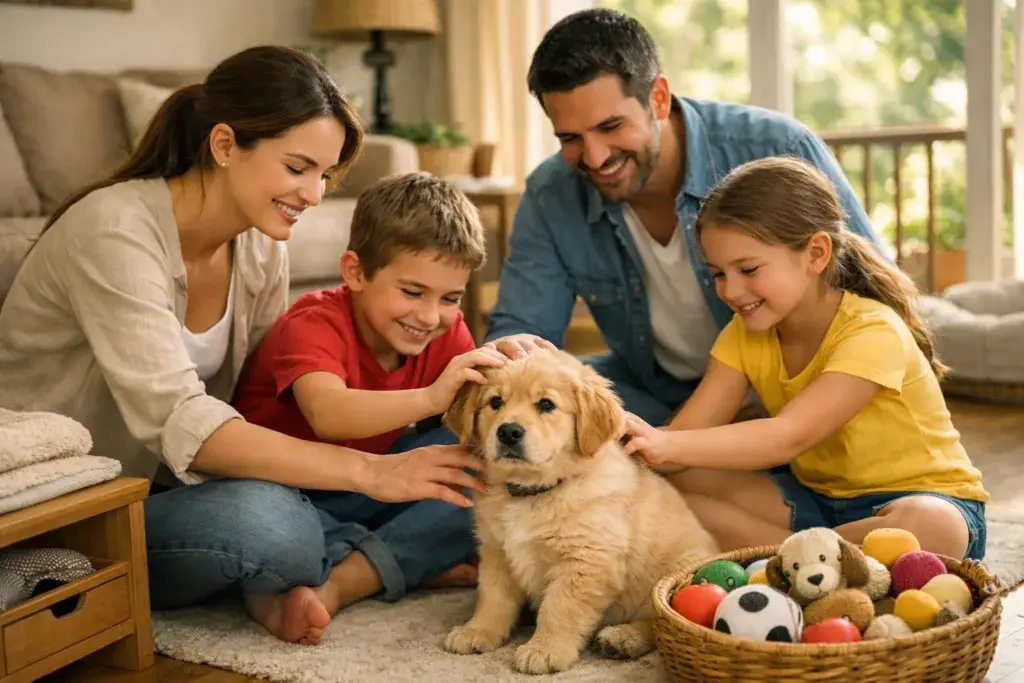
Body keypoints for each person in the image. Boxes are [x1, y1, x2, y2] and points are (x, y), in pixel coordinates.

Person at [0, 45, 484, 646]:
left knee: (475, 466)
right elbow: (184, 421)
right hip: (79, 508)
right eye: (297, 167)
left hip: (178, 487)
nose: (313, 194)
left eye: (325, 175)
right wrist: (371, 472)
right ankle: (380, 557)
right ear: (225, 145)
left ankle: (346, 560)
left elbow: (255, 401)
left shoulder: (259, 248)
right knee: (275, 529)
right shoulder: (114, 232)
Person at [484, 8, 883, 427]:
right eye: (570, 138)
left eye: (611, 126)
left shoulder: (779, 146)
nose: (595, 157)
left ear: (658, 98)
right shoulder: (552, 192)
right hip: (651, 393)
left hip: (789, 402)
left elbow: (872, 301)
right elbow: (519, 334)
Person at [621, 156, 988, 561]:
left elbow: (789, 436)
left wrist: (665, 445)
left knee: (929, 524)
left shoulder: (872, 330)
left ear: (815, 253)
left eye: (748, 269)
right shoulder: (744, 333)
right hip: (816, 504)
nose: (730, 291)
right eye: (718, 273)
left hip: (920, 502)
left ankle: (790, 558)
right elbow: (684, 435)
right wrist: (624, 439)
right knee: (677, 485)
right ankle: (810, 559)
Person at [231, 171, 505, 626]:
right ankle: (399, 562)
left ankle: (342, 581)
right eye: (412, 292)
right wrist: (433, 394)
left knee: (484, 470)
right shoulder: (314, 320)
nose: (430, 315)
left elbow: (470, 417)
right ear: (355, 272)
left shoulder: (443, 329)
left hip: (376, 485)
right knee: (281, 539)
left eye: (450, 298)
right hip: (290, 493)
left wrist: (513, 366)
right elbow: (328, 414)